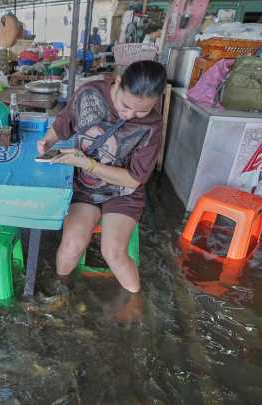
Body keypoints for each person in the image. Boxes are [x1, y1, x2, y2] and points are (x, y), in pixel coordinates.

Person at [37, 60, 166, 293]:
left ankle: (134, 307)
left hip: (122, 193)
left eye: (142, 110)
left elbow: (134, 180)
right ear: (117, 83)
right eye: (126, 106)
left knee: (113, 252)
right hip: (85, 188)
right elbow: (62, 124)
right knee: (71, 244)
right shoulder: (90, 94)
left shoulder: (152, 126)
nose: (130, 115)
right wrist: (47, 141)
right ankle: (60, 293)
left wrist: (88, 164)